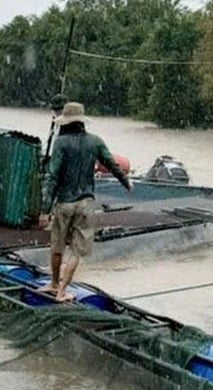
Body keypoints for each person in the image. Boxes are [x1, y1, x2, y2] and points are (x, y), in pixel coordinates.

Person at [39, 102, 132, 301]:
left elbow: (52, 176)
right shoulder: (95, 141)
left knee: (57, 246)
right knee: (76, 250)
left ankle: (54, 284)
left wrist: (45, 210)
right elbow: (112, 164)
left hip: (64, 202)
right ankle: (63, 291)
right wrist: (126, 182)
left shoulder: (61, 142)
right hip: (86, 203)